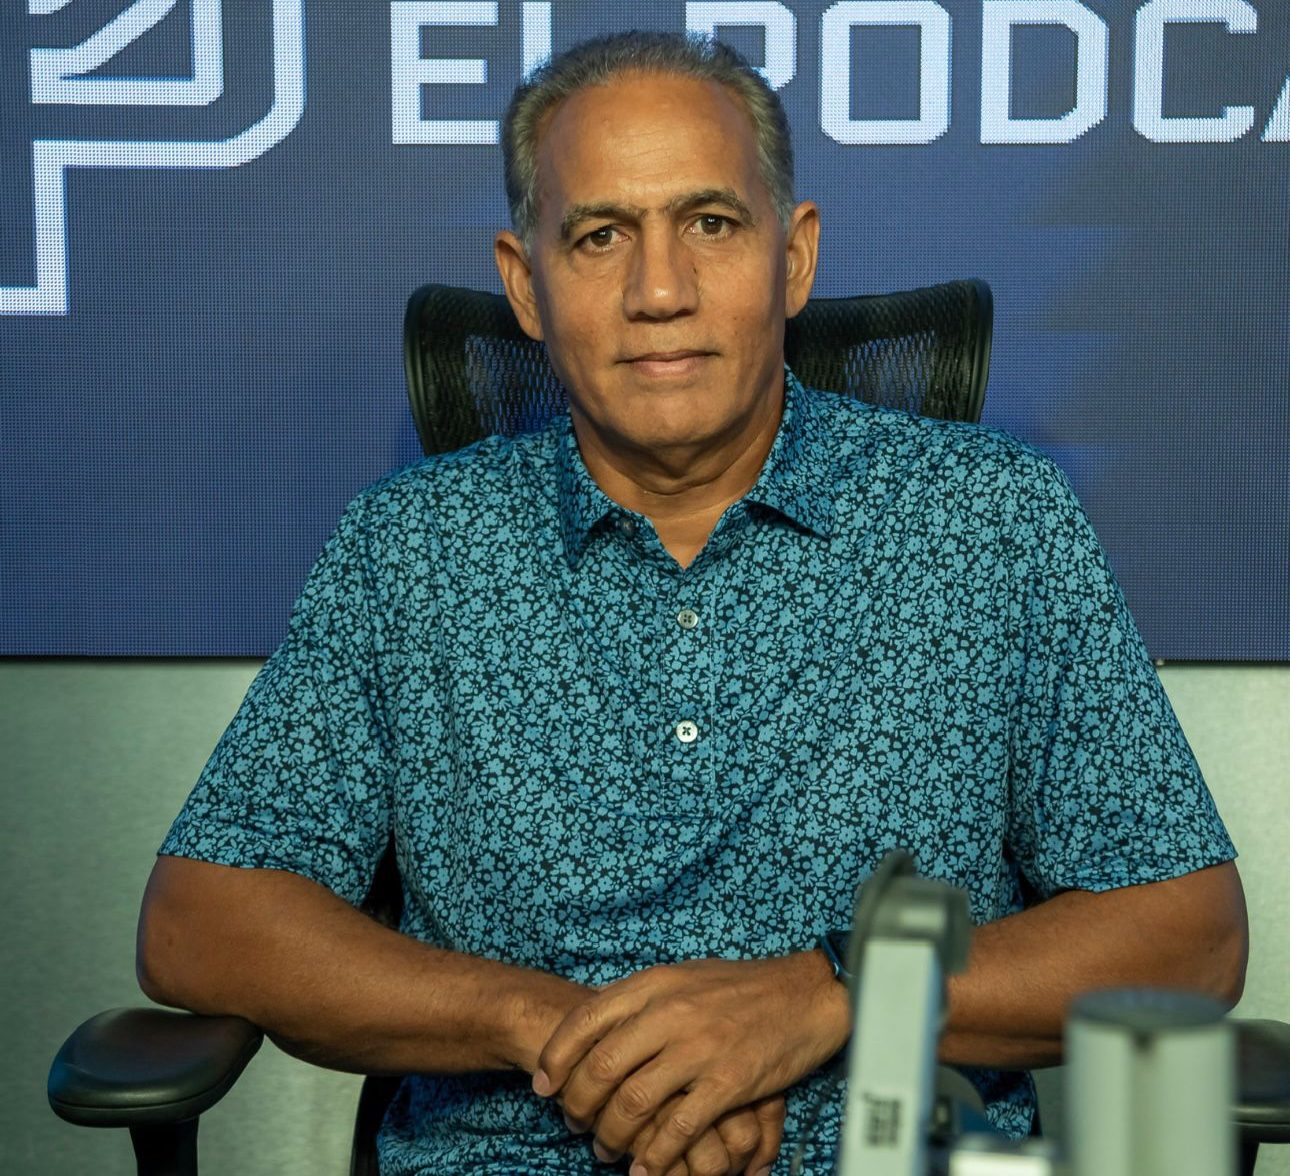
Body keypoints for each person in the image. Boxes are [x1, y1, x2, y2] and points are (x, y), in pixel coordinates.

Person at [137, 30, 1248, 1176]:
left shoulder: (993, 521)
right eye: (600, 236)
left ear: (793, 258)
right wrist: (570, 1035)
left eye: (710, 225)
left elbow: (1188, 935)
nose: (659, 291)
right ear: (524, 283)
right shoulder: (408, 548)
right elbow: (200, 920)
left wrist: (825, 997)